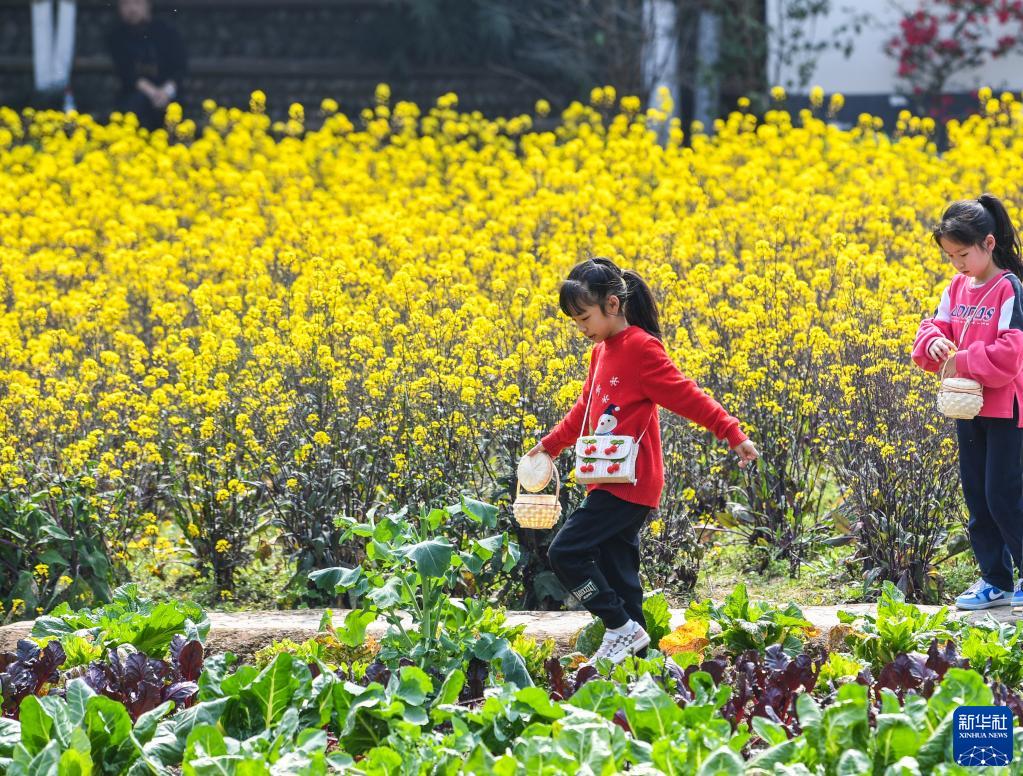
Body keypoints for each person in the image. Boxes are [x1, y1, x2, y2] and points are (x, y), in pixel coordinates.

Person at [526, 257, 759, 665]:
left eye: (585, 317)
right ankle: (644, 663)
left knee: (566, 552)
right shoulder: (601, 352)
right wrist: (550, 445)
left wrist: (731, 431)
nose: (581, 328)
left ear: (612, 305)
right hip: (605, 477)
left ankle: (619, 625)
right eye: (575, 321)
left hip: (630, 483)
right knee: (621, 574)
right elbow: (585, 409)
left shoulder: (641, 348)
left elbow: (686, 394)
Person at [912, 194, 1023, 611]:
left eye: (963, 254)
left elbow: (1011, 356)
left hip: (1006, 409)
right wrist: (936, 342)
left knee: (1003, 496)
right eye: (950, 256)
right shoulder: (956, 287)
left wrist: (961, 358)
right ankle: (995, 580)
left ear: (989, 244)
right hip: (967, 408)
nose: (957, 263)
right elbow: (930, 331)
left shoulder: (1009, 287)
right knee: (976, 496)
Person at [106, 0, 186, 131]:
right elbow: (126, 72)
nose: (132, 9)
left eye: (137, 3)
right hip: (134, 96)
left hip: (168, 93)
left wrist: (165, 92)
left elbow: (180, 68)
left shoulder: (167, 31)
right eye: (125, 4)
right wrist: (153, 93)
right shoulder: (116, 36)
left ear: (148, 4)